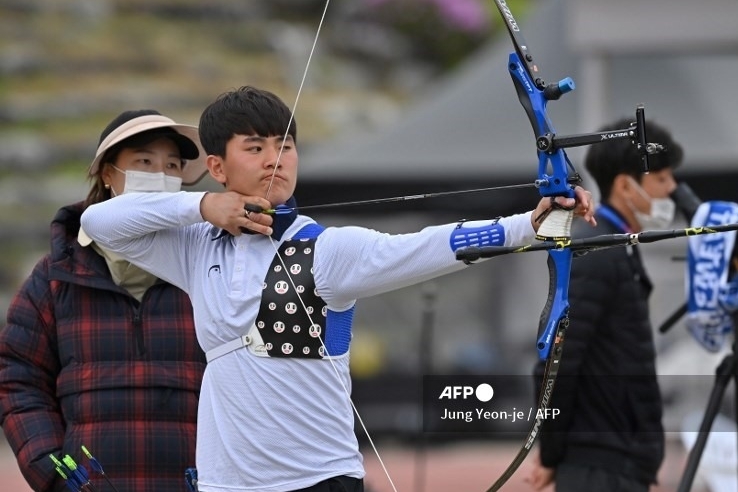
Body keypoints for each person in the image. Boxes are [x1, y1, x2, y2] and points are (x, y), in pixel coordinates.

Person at [80, 85, 596, 492]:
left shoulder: (327, 250)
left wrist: (530, 224)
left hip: (318, 480)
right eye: (254, 148)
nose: (274, 160)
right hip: (226, 482)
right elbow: (101, 221)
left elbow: (426, 246)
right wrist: (203, 206)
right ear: (216, 167)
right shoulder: (196, 248)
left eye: (285, 146)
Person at [0, 109, 209, 492]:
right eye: (144, 161)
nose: (159, 174)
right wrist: (54, 472)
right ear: (108, 174)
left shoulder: (212, 268)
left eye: (172, 165)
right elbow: (16, 376)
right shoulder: (55, 277)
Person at [527, 118, 683, 492]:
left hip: (617, 463)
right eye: (661, 178)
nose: (673, 188)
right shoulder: (598, 253)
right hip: (599, 465)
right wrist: (552, 453)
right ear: (626, 186)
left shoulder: (616, 247)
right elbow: (555, 360)